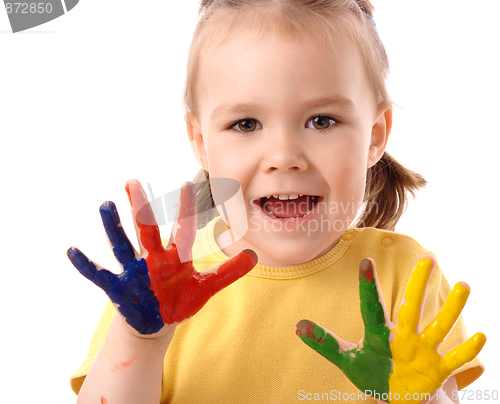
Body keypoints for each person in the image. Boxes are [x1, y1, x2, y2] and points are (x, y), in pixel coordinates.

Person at [68, 1, 485, 403]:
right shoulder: (162, 285)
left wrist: (415, 399)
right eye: (245, 124)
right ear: (201, 143)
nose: (285, 155)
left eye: (322, 120)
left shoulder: (404, 277)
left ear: (375, 135)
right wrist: (140, 340)